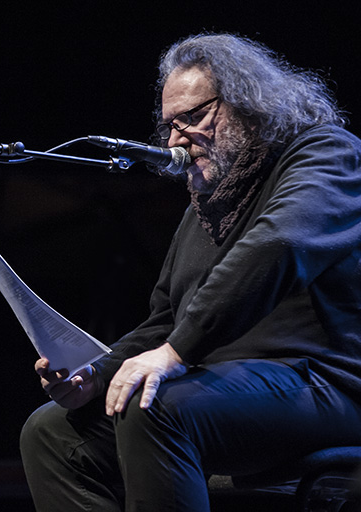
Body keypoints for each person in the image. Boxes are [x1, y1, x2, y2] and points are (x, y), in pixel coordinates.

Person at [20, 32, 361, 511]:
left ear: (249, 103)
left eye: (194, 117)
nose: (177, 138)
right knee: (51, 431)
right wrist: (95, 374)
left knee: (154, 407)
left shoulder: (326, 153)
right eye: (170, 125)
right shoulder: (206, 201)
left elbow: (279, 243)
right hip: (228, 387)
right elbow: (166, 319)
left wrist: (176, 352)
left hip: (325, 385)